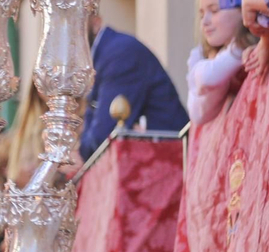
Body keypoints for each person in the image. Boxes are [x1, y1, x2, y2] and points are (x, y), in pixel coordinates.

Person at [78, 10, 189, 159]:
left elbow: (103, 135)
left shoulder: (119, 54)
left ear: (96, 23)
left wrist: (80, 153)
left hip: (168, 161)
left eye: (76, 23)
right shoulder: (103, 55)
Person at [186, 0, 252, 126]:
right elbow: (196, 113)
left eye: (215, 10)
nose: (204, 22)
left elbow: (208, 77)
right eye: (202, 14)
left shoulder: (242, 48)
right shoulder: (205, 54)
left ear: (242, 10)